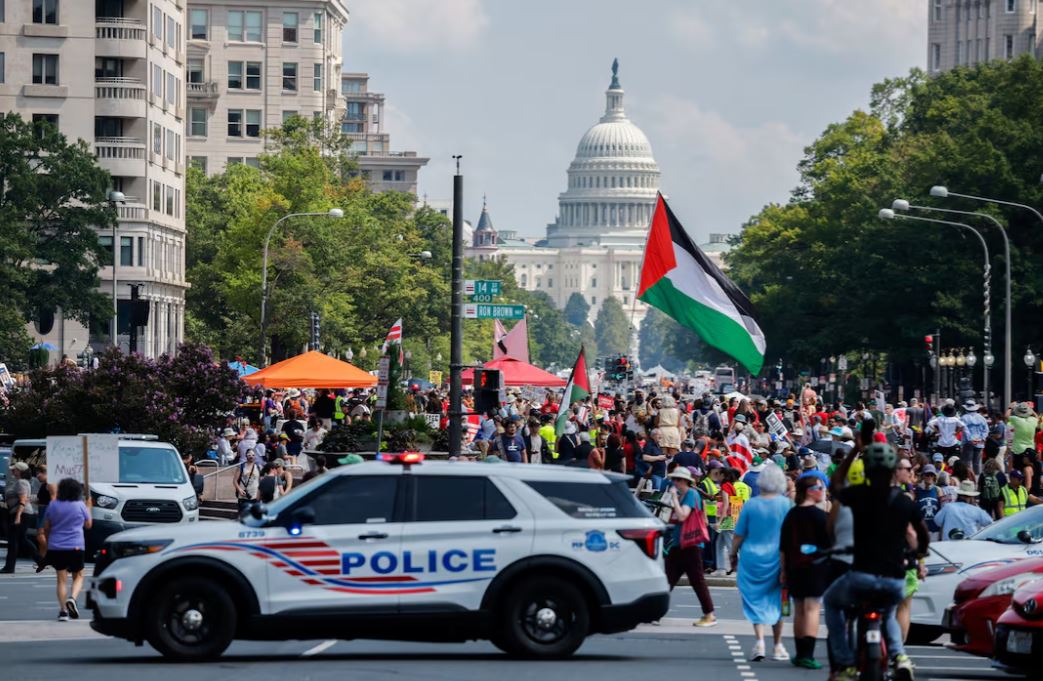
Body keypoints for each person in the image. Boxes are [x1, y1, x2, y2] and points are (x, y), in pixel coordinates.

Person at [824, 442, 927, 681]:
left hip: (861, 576)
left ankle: (845, 664)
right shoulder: (904, 501)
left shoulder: (858, 496)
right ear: (893, 471)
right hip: (894, 579)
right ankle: (900, 657)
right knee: (888, 614)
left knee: (831, 602)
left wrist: (854, 451)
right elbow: (921, 534)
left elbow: (836, 483)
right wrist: (918, 556)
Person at [730, 464, 793, 662]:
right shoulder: (787, 505)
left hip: (752, 558)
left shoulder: (751, 505)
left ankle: (759, 642)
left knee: (755, 600)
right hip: (778, 558)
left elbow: (739, 535)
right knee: (778, 600)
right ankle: (778, 645)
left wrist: (732, 554)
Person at [780, 475, 831, 669]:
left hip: (794, 567)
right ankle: (808, 654)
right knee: (812, 609)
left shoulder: (791, 515)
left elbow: (783, 547)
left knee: (799, 609)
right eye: (820, 488)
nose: (823, 491)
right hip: (815, 567)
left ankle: (800, 653)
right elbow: (830, 544)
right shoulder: (820, 516)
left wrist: (783, 571)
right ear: (810, 491)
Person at [662, 467, 717, 627]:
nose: (675, 482)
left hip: (691, 545)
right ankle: (654, 612)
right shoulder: (683, 495)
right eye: (674, 479)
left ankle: (709, 614)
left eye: (678, 479)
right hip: (679, 543)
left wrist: (673, 498)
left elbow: (682, 516)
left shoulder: (691, 494)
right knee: (668, 579)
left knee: (697, 580)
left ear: (686, 481)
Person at [37, 478, 92, 621]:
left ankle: (63, 611)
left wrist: (49, 542)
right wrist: (89, 508)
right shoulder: (80, 505)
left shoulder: (53, 505)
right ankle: (72, 598)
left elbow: (46, 527)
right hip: (76, 545)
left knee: (61, 579)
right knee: (79, 575)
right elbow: (88, 525)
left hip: (57, 546)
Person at [2, 462, 42, 573]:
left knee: (14, 540)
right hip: (19, 512)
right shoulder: (19, 482)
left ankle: (9, 567)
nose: (12, 471)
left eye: (14, 470)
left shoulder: (21, 483)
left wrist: (18, 516)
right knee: (21, 539)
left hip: (21, 513)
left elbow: (23, 500)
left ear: (20, 471)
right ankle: (41, 561)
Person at [960, 401, 988, 475]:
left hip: (968, 443)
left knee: (967, 462)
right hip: (980, 443)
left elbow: (965, 430)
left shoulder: (963, 418)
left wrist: (971, 439)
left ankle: (968, 478)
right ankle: (977, 477)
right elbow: (986, 430)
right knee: (977, 463)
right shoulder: (981, 418)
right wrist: (981, 439)